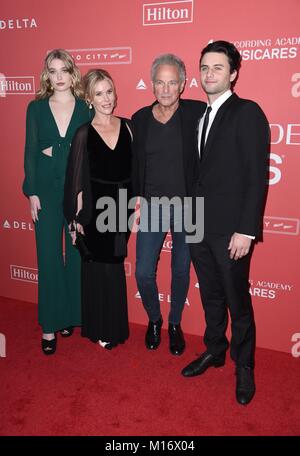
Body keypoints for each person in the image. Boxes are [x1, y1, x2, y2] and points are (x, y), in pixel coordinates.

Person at [181, 41, 269, 405]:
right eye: (204, 67)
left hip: (232, 231)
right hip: (199, 226)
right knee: (211, 296)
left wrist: (246, 230)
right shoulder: (201, 116)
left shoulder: (247, 112)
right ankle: (215, 350)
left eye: (217, 67)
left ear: (233, 73)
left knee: (238, 302)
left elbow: (255, 176)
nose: (208, 74)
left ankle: (244, 366)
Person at [132, 54, 205, 355]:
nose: (165, 89)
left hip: (190, 207)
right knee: (143, 272)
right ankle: (154, 319)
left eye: (172, 82)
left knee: (181, 269)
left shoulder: (198, 113)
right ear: (151, 84)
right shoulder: (139, 119)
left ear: (183, 84)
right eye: (159, 82)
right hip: (152, 207)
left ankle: (174, 323)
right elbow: (134, 163)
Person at [23, 49, 91, 355]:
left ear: (72, 73)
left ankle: (70, 315)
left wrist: (82, 196)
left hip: (75, 190)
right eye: (53, 71)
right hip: (46, 192)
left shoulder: (86, 107)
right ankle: (50, 324)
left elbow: (90, 155)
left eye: (64, 70)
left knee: (76, 255)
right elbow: (30, 151)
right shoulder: (35, 109)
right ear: (46, 75)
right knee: (49, 257)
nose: (59, 77)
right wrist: (32, 192)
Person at [64, 69, 133, 350]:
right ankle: (99, 327)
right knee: (98, 267)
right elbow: (75, 180)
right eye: (99, 94)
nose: (106, 98)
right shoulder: (84, 133)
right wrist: (74, 220)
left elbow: (137, 170)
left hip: (123, 207)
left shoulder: (129, 127)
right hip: (96, 208)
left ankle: (114, 326)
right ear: (89, 99)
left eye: (109, 91)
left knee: (114, 266)